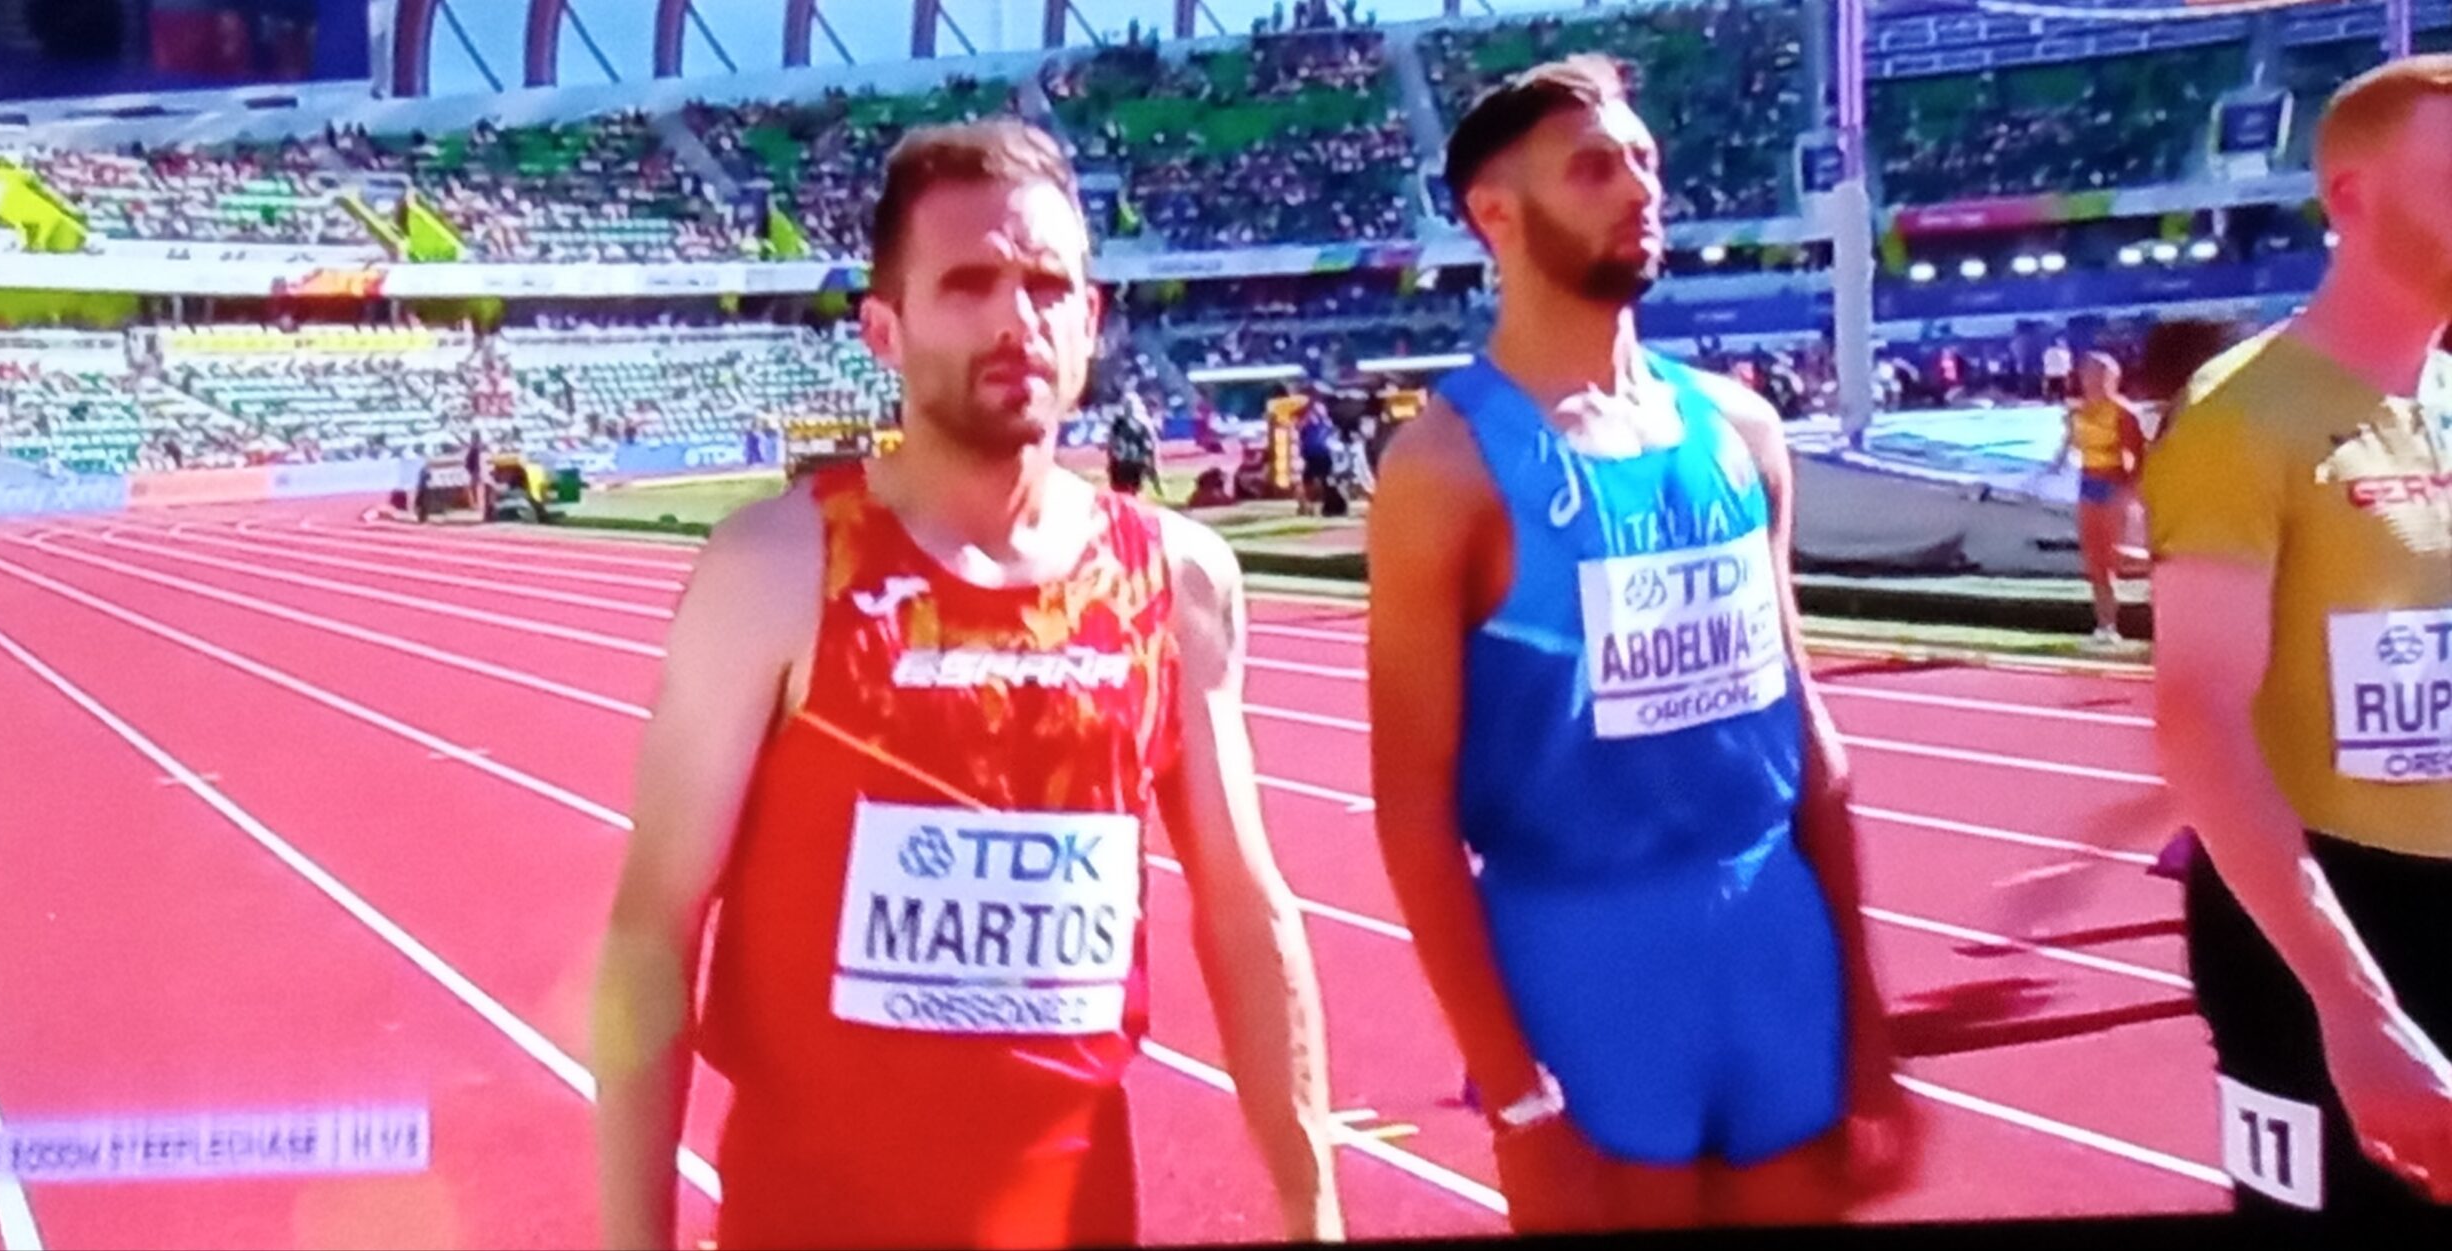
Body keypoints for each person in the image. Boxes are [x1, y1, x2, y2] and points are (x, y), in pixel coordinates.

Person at [593, 118, 1343, 1251]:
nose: (1014, 319)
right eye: (968, 284)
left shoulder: (1178, 582)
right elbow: (654, 927)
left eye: (1047, 284)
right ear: (884, 329)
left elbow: (1244, 907)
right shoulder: (777, 570)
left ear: (1090, 322)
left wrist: (1313, 1210)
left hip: (1083, 1213)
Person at [1365, 56, 1914, 1234]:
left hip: (1775, 949)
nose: (1639, 188)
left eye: (1645, 160)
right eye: (1596, 167)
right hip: (1587, 967)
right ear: (1496, 215)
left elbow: (1807, 733)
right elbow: (1410, 810)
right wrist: (1512, 1092)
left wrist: (1867, 1017)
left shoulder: (1741, 429)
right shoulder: (1446, 470)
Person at [2146, 55, 2452, 1228]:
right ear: (2353, 198)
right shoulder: (2243, 418)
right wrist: (2357, 1013)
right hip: (2322, 927)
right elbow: (2199, 715)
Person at [2044, 350, 2149, 646]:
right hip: (2087, 481)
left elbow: (2139, 458)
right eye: (2089, 374)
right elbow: (2068, 447)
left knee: (2115, 554)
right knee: (2095, 559)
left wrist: (2128, 492)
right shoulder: (2077, 412)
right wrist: (2053, 467)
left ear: (2113, 378)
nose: (2094, 380)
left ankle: (2158, 581)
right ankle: (2105, 626)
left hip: (2113, 481)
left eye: (2101, 375)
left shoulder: (2123, 413)